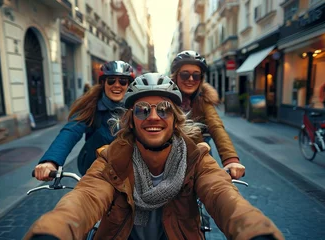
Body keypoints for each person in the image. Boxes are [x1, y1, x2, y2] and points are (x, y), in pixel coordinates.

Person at [25, 73, 284, 240]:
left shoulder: (196, 159)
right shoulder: (111, 159)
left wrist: (254, 231)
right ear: (130, 120)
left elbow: (222, 195)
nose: (153, 117)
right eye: (141, 110)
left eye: (163, 109)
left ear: (175, 118)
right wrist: (52, 232)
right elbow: (84, 198)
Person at [34, 60, 135, 180]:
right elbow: (70, 131)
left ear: (129, 85)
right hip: (96, 171)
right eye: (111, 80)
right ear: (103, 83)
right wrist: (51, 161)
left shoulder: (136, 108)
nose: (117, 85)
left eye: (123, 81)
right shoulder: (90, 106)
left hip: (128, 170)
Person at [170, 50, 245, 180]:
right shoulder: (166, 98)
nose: (191, 79)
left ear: (201, 79)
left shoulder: (203, 98)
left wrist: (231, 160)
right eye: (185, 75)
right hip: (170, 155)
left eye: (196, 75)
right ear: (176, 76)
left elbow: (216, 126)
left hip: (201, 153)